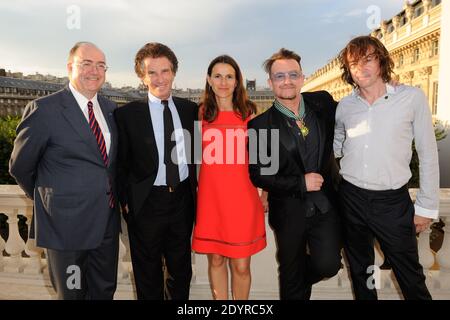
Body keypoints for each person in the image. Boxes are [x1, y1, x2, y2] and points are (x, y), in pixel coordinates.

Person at [9, 42, 120, 299]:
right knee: (71, 294)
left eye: (101, 65)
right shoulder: (44, 109)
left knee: (104, 292)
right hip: (65, 224)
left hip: (106, 223)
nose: (95, 70)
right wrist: (52, 197)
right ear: (70, 67)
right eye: (87, 64)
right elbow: (21, 166)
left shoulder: (111, 110)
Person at [334, 35, 439, 300]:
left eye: (368, 59)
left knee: (410, 275)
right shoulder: (345, 106)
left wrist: (426, 207)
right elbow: (337, 145)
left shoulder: (411, 98)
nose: (362, 67)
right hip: (351, 198)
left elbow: (428, 152)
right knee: (361, 274)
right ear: (349, 70)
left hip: (392, 202)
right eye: (354, 63)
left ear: (381, 60)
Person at [248, 48, 342, 300]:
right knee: (290, 279)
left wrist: (387, 89)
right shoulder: (259, 125)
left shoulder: (322, 103)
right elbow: (259, 175)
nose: (286, 80)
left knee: (329, 265)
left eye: (293, 74)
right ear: (270, 82)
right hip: (289, 211)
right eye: (279, 76)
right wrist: (300, 182)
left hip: (326, 206)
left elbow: (353, 110)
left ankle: (299, 278)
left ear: (302, 77)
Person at [114, 42, 198, 300]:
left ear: (174, 72)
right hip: (146, 203)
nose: (160, 78)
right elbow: (120, 164)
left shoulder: (190, 110)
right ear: (142, 76)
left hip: (182, 200)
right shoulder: (126, 115)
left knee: (181, 272)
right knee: (147, 274)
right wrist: (126, 201)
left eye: (165, 71)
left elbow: (199, 155)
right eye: (152, 72)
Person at [191, 55, 267, 300]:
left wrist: (266, 194)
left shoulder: (251, 114)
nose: (223, 82)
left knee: (241, 266)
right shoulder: (199, 115)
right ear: (209, 80)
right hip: (210, 200)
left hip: (243, 200)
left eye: (229, 76)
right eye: (217, 76)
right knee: (216, 259)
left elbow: (267, 160)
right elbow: (195, 161)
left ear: (237, 82)